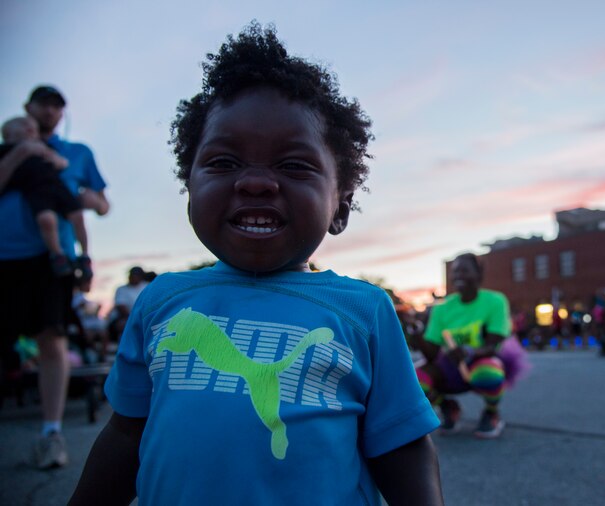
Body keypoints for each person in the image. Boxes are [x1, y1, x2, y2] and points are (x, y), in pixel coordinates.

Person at [70, 23, 443, 506]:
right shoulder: (163, 299)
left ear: (340, 208)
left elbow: (404, 446)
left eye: (293, 165)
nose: (256, 183)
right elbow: (125, 435)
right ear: (190, 191)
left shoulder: (364, 310)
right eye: (224, 163)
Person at [0, 84, 109, 469]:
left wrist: (85, 203)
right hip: (4, 256)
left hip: (51, 260)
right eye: (43, 105)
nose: (50, 112)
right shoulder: (10, 148)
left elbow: (100, 204)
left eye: (57, 107)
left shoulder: (76, 154)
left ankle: (51, 433)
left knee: (53, 338)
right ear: (27, 108)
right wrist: (23, 153)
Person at [416, 253, 527, 439]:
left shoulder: (495, 301)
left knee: (488, 372)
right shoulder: (442, 308)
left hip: (482, 363)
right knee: (415, 380)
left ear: (479, 274)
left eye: (464, 271)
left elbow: (494, 343)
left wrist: (469, 352)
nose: (458, 275)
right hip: (451, 365)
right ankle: (447, 407)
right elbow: (431, 355)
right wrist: (415, 333)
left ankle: (491, 412)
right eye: (455, 272)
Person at [1, 116, 93, 277]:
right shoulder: (5, 151)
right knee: (47, 220)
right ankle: (57, 254)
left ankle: (85, 255)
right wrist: (22, 152)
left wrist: (50, 156)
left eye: (31, 126)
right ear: (7, 135)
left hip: (56, 186)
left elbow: (62, 163)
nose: (29, 129)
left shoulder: (44, 147)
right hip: (37, 190)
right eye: (22, 126)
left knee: (78, 216)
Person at [106, 266, 149, 343]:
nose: (131, 277)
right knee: (124, 326)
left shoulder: (148, 286)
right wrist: (135, 319)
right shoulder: (121, 289)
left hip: (145, 317)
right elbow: (121, 307)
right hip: (126, 318)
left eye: (135, 275)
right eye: (131, 274)